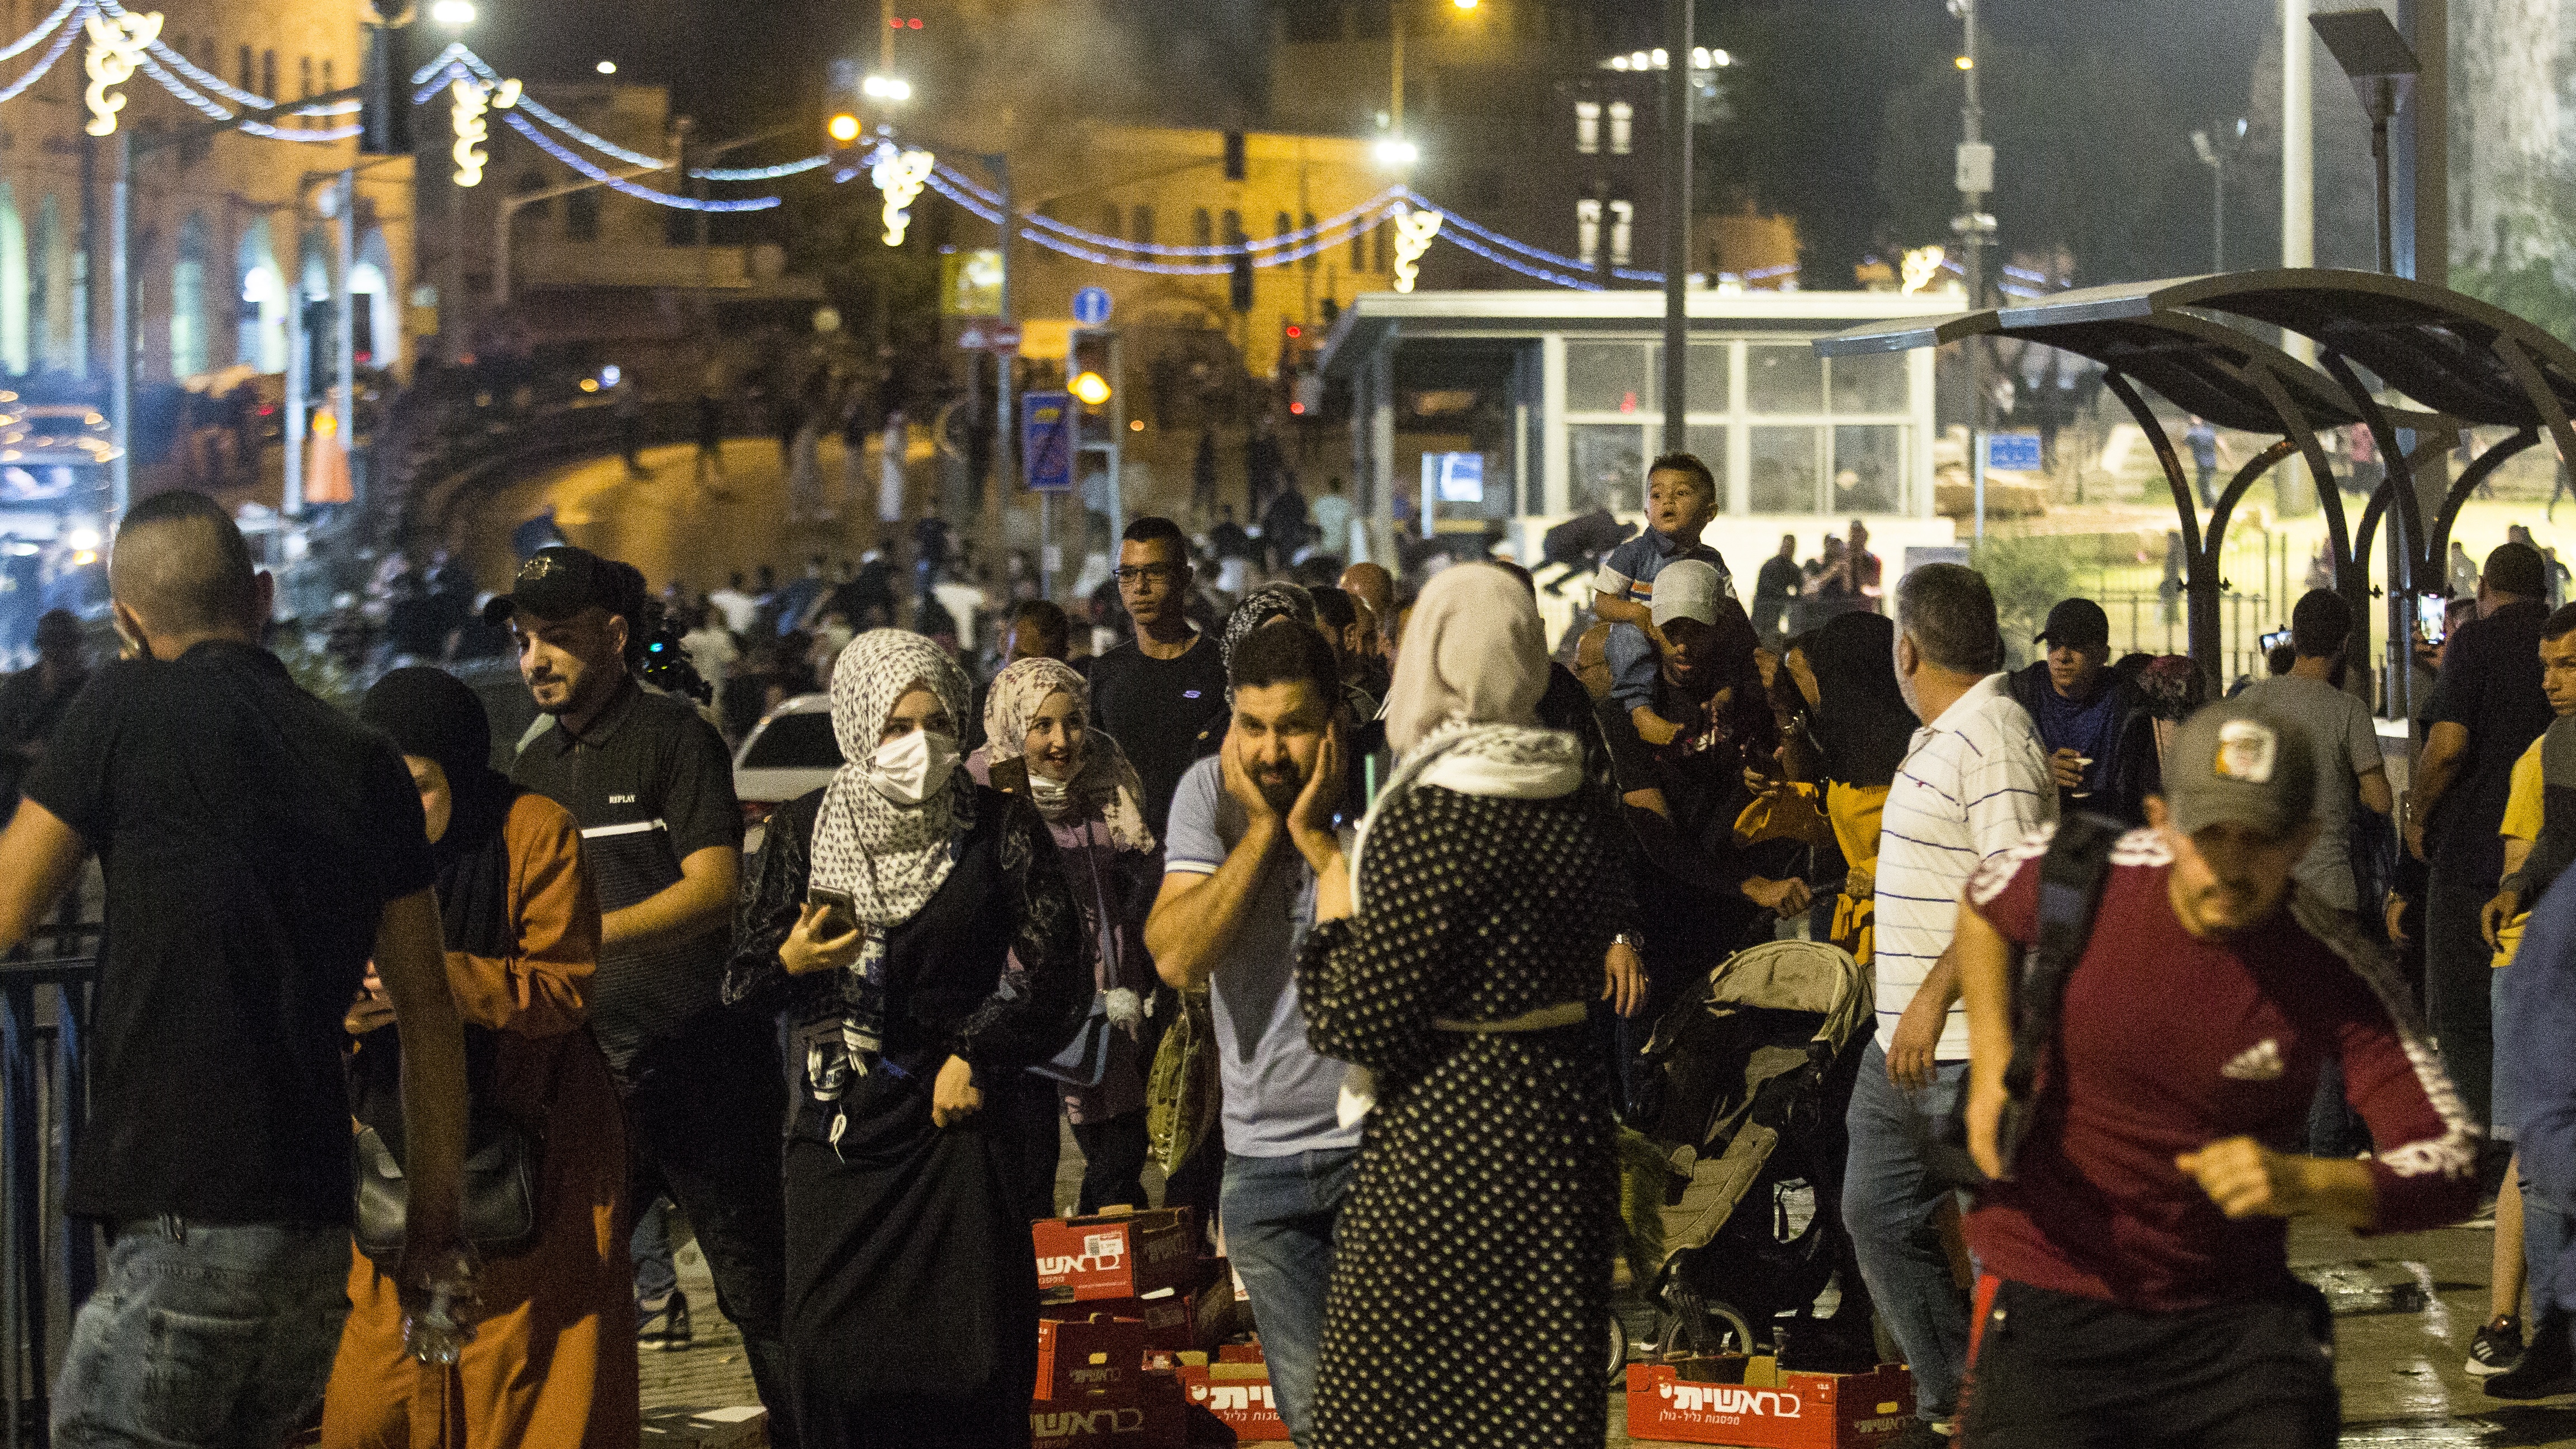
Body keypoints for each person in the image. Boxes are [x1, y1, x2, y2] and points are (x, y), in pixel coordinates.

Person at [0, 491, 468, 1449]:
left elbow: (7, 908)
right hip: (312, 1235)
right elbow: (429, 1014)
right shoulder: (366, 760)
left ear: (127, 617)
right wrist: (432, 1226)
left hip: (184, 1219)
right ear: (262, 596)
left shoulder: (124, 706)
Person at [1954, 700, 2479, 1447]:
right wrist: (1991, 1061)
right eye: (2208, 837)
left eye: (2259, 840)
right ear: (2162, 823)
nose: (2230, 866)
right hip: (2055, 1296)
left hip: (2230, 1326)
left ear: (2303, 840)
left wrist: (2306, 1184)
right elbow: (1982, 899)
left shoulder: (2332, 965)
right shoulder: (2093, 877)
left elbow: (2453, 1157)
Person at [1296, 564, 1637, 1449]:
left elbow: (1356, 1022)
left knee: (1401, 1411)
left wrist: (1333, 893)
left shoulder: (1430, 816)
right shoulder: (1584, 805)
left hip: (1446, 1142)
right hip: (1562, 1134)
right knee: (1533, 1408)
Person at [722, 631, 1087, 1449]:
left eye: (935, 723)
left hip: (956, 1127)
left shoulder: (998, 828)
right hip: (838, 1133)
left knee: (973, 1362)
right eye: (894, 727)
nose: (917, 745)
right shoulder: (804, 830)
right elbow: (741, 984)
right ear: (857, 729)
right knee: (833, 1363)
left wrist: (978, 1051)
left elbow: (1062, 970)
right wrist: (793, 957)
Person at [490, 547, 793, 1432]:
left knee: (757, 1294)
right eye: (523, 641)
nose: (535, 660)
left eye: (557, 639)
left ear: (614, 638)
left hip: (703, 1072)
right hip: (589, 1085)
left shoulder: (675, 736)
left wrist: (580, 943)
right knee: (566, 1298)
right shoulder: (535, 762)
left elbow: (713, 889)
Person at [323, 669, 636, 1449]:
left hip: (534, 1157)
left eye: (422, 787)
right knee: (375, 1403)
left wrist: (431, 984)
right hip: (400, 1160)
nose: (402, 809)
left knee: (528, 1391)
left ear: (461, 772)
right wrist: (351, 1010)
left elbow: (564, 988)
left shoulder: (535, 832)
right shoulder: (357, 847)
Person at [1143, 622, 1366, 1446]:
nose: (1271, 752)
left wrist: (1317, 845)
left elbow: (1390, 980)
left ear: (1336, 722)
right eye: (1254, 726)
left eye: (1294, 727)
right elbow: (1175, 955)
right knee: (1318, 1427)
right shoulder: (1210, 792)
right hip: (1260, 1171)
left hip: (1375, 1159)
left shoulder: (1378, 795)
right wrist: (1266, 833)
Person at [1847, 561, 2055, 1444]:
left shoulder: (1995, 737)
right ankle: (1953, 1402)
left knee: (2001, 1250)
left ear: (1907, 649)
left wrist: (1935, 998)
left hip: (1969, 1045)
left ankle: (2006, 1415)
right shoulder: (1945, 733)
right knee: (1875, 1214)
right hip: (1900, 1048)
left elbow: (2018, 888)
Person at [1593, 562, 1803, 1105]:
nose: (1682, 645)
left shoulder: (1748, 700)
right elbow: (1652, 831)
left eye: (1696, 630)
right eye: (1671, 630)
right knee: (1649, 1088)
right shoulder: (1628, 712)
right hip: (1662, 912)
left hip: (1735, 923)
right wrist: (1747, 884)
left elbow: (1796, 783)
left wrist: (1778, 729)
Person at [970, 657, 1161, 1216]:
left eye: (1073, 722)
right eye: (1042, 726)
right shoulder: (982, 791)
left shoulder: (1106, 777)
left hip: (1106, 993)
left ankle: (1104, 1275)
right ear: (1011, 727)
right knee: (1028, 1164)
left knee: (1119, 1151)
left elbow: (1139, 872)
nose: (1062, 741)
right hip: (1023, 997)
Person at [2464, 609, 2576, 1379]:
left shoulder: (2558, 745)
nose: (2550, 681)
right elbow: (2551, 841)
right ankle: (2542, 1328)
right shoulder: (2552, 747)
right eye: (2546, 665)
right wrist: (2516, 886)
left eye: (2567, 665)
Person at [2412, 541, 2554, 1137]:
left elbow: (2447, 748)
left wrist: (2418, 817)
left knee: (2466, 1014)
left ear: (2488, 591)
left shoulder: (2475, 641)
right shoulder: (2560, 645)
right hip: (2554, 850)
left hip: (2474, 851)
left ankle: (2482, 1151)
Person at [1738, 612, 1918, 967]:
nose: (1815, 686)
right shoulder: (1847, 745)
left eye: (1820, 673)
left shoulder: (1928, 756)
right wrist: (1783, 804)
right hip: (1859, 937)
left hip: (1912, 937)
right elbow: (1839, 825)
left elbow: (1949, 847)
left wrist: (1882, 873)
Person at [2236, 590, 2392, 915]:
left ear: (2295, 639)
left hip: (2261, 886)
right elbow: (2381, 801)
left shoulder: (2249, 700)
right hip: (2329, 890)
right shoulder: (2348, 710)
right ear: (2345, 643)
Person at [1090, 518, 1230, 840]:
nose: (1139, 587)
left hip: (1204, 847)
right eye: (1127, 575)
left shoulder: (1221, 667)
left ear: (1185, 578)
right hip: (1126, 856)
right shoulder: (1106, 673)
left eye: (1154, 572)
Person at [2007, 598, 2152, 823]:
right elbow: (1996, 769)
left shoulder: (2126, 701)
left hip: (2108, 826)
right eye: (2054, 645)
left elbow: (2140, 792)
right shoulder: (2022, 694)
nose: (2062, 657)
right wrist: (2039, 770)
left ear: (2103, 655)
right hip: (2039, 825)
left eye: (2076, 646)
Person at [1590, 453, 1735, 640]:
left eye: (1681, 493)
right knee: (1629, 644)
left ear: (1709, 512)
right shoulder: (1634, 553)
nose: (1667, 501)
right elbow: (1602, 602)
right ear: (1647, 514)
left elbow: (1732, 611)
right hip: (1644, 639)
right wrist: (1635, 612)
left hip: (1691, 643)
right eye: (1657, 495)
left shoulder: (1711, 561)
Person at [0, 608, 88, 821]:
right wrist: (20, 750)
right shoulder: (18, 689)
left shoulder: (88, 691)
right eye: (62, 648)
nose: (72, 655)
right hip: (16, 791)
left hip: (63, 795)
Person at [1751, 532, 1803, 642]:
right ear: (1781, 546)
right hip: (1764, 612)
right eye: (1787, 546)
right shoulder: (1770, 567)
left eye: (1792, 547)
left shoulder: (1792, 569)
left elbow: (1800, 586)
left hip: (1776, 612)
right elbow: (1767, 589)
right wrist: (1788, 596)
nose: (1789, 550)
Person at [2184, 416, 2225, 508]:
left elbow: (2185, 444)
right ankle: (2211, 504)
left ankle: (2211, 504)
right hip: (2211, 462)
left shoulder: (2193, 433)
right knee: (2207, 482)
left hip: (2202, 463)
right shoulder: (2210, 431)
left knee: (2204, 483)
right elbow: (2220, 444)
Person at [1310, 477, 1353, 562]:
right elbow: (1349, 528)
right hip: (1340, 546)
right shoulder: (1346, 504)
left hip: (1323, 546)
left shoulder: (1321, 503)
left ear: (1329, 487)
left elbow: (1314, 523)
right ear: (1340, 488)